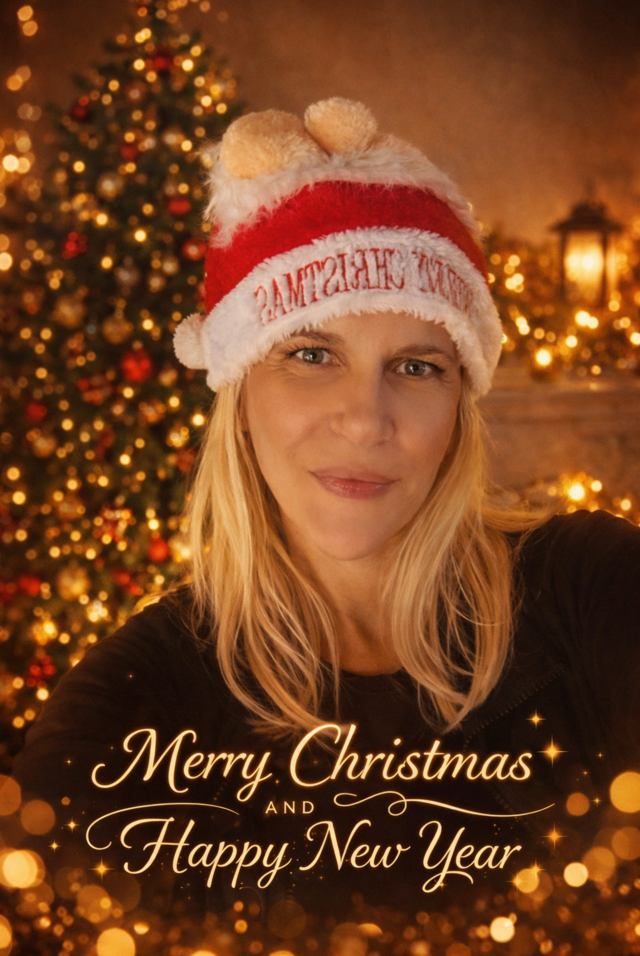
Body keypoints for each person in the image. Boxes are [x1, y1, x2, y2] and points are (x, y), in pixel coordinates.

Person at [11, 99, 640, 920]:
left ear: (459, 406)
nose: (366, 420)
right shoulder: (136, 701)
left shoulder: (591, 587)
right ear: (240, 396)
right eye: (311, 354)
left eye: (416, 367)